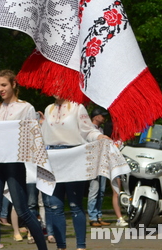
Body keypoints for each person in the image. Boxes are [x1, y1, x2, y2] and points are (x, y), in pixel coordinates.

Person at [0, 70, 47, 250]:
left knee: (23, 211)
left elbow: (32, 136)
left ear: (13, 84)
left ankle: (43, 248)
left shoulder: (26, 107)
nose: (0, 89)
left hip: (14, 162)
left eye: (4, 85)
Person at [41, 97, 109, 250]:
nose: (56, 88)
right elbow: (42, 136)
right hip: (53, 158)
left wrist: (99, 136)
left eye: (59, 82)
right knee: (55, 206)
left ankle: (80, 246)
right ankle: (61, 246)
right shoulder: (48, 109)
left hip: (73, 156)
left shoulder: (77, 107)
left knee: (75, 205)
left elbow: (88, 130)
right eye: (53, 83)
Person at [86, 107, 109, 228]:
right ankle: (92, 216)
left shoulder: (101, 129)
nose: (104, 118)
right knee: (94, 190)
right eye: (102, 115)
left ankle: (98, 215)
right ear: (96, 117)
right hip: (93, 162)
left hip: (102, 162)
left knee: (101, 191)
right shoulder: (89, 129)